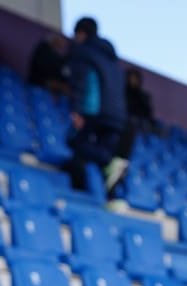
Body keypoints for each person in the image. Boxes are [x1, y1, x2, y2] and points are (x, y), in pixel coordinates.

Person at [64, 16, 128, 197]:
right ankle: (104, 182)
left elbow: (80, 83)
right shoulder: (112, 60)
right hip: (117, 115)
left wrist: (76, 110)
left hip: (94, 110)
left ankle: (79, 192)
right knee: (97, 152)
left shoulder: (83, 52)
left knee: (74, 141)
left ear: (81, 33)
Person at [26, 31, 69, 97]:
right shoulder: (44, 49)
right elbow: (42, 68)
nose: (63, 44)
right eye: (61, 39)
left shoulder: (57, 56)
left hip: (44, 85)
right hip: (36, 82)